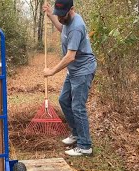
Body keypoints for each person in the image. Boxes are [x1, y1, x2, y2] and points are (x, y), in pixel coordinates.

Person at [42, 0, 97, 156]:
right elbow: (61, 28)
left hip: (83, 70)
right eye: (57, 14)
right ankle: (76, 134)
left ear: (71, 9)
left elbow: (70, 56)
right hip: (73, 71)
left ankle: (85, 146)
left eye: (61, 15)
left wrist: (52, 71)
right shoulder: (66, 21)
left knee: (78, 107)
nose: (59, 18)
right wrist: (50, 15)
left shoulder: (77, 27)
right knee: (64, 100)